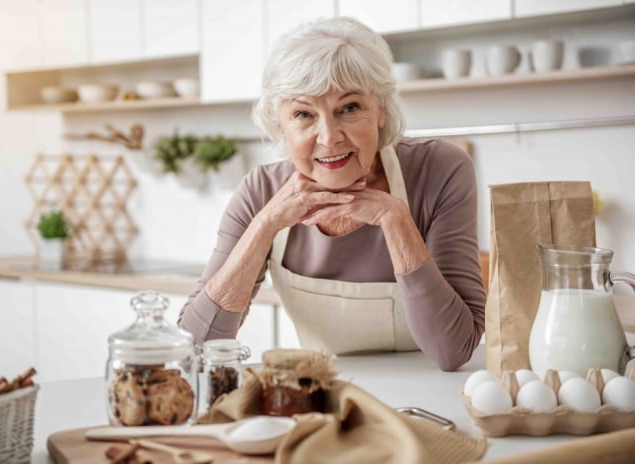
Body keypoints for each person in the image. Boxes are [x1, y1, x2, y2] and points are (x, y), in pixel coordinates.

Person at [178, 17, 485, 371]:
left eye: (349, 108)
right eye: (303, 114)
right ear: (281, 124)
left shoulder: (440, 169)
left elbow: (454, 351)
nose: (328, 136)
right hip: (326, 397)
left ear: (380, 110)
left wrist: (396, 220)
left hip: (432, 398)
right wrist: (266, 225)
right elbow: (194, 350)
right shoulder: (260, 191)